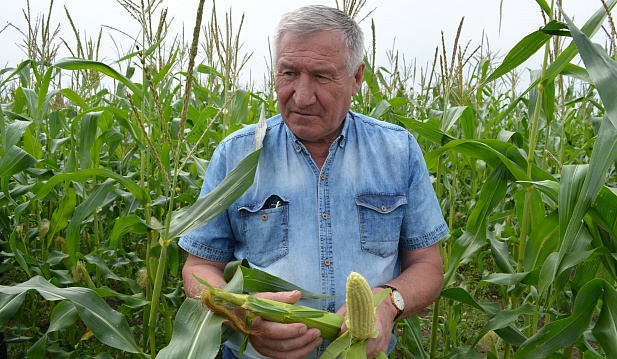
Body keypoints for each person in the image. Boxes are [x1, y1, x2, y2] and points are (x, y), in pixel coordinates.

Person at [180, 4, 448, 359]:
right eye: (288, 73)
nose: (302, 96)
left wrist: (387, 303)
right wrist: (243, 316)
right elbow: (199, 269)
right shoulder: (237, 155)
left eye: (322, 76)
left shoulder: (397, 151)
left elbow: (427, 265)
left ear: (356, 78)